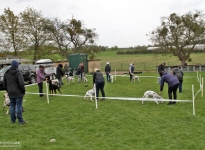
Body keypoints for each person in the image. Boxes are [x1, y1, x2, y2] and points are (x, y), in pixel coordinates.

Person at [3, 60, 26, 124]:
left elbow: (4, 83)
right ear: (17, 65)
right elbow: (21, 83)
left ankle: (13, 120)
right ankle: (20, 120)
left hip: (10, 92)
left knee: (12, 106)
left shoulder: (6, 73)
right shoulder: (18, 72)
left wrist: (8, 90)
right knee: (19, 106)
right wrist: (23, 91)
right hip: (18, 92)